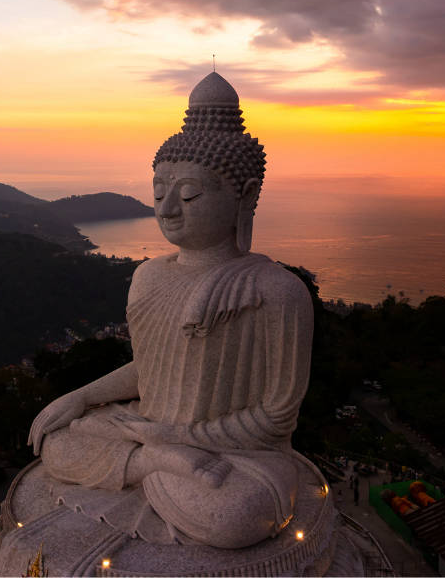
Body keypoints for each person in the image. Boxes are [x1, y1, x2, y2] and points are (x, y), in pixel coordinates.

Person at [28, 73, 314, 549]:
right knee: (55, 442)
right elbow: (151, 368)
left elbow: (277, 417)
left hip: (234, 452)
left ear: (243, 194)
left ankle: (154, 462)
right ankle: (152, 465)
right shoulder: (148, 276)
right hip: (155, 435)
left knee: (236, 515)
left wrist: (177, 432)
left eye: (189, 195)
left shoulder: (276, 291)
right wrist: (81, 398)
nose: (167, 210)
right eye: (159, 191)